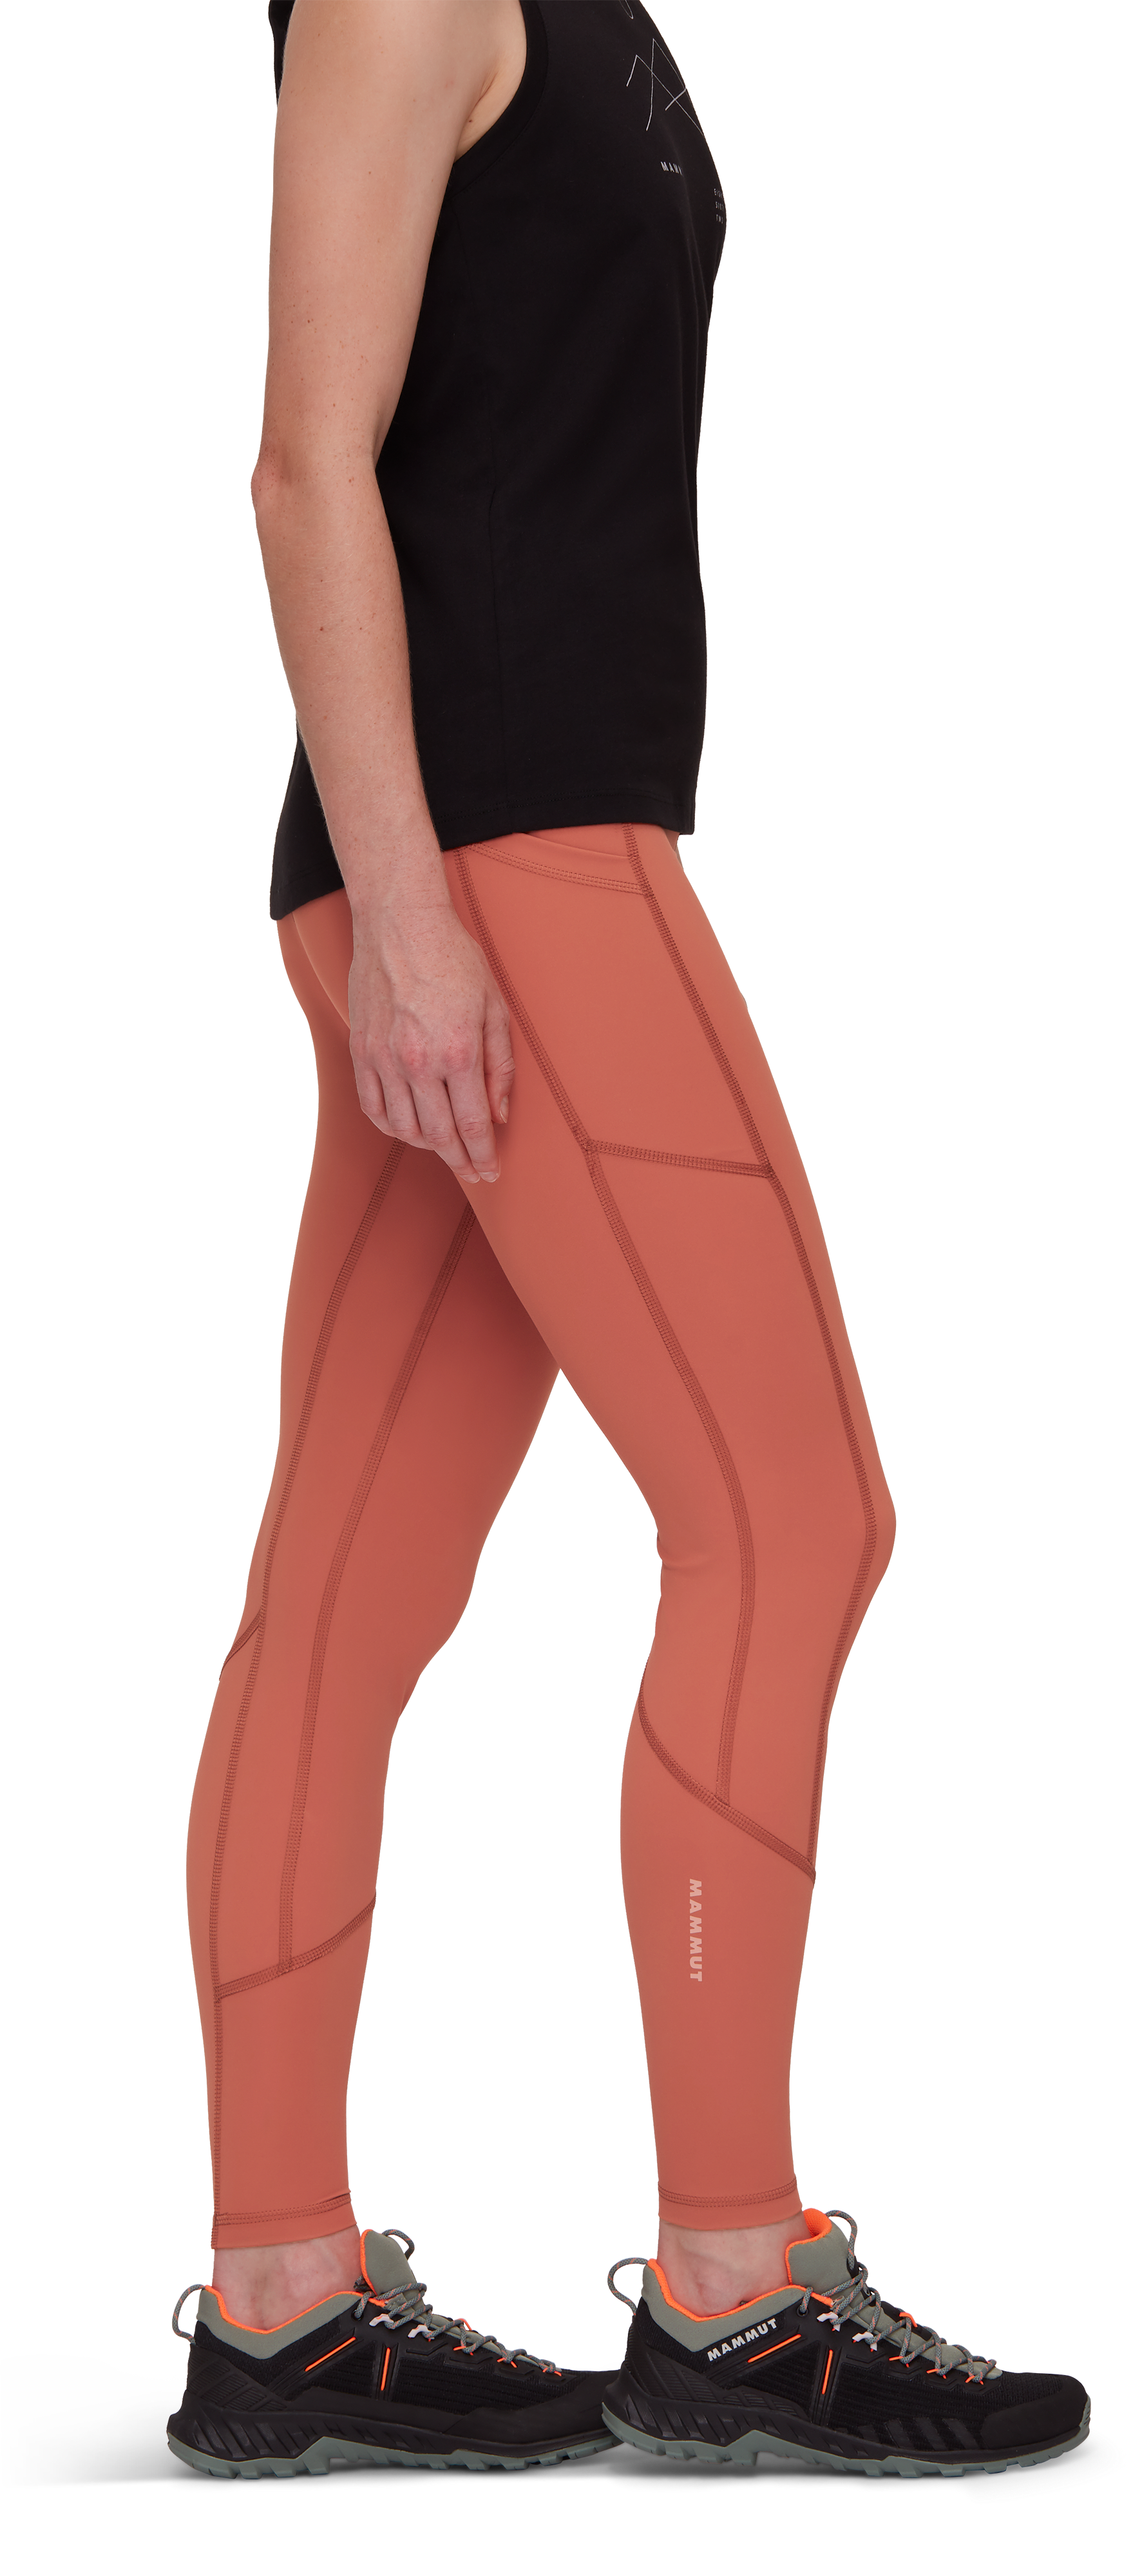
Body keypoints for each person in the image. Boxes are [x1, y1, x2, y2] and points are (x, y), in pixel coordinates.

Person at [166, 0, 1090, 2483]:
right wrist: (416, 917)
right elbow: (302, 461)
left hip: (479, 857)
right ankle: (728, 2286)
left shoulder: (600, 18)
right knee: (796, 1520)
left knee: (344, 1590)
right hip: (505, 863)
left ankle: (276, 2307)